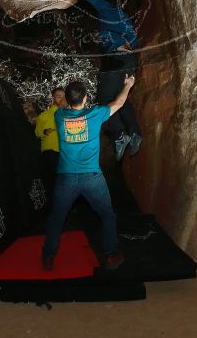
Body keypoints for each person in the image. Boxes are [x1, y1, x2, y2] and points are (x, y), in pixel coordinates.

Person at [41, 76, 135, 271]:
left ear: (67, 100)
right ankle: (110, 255)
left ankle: (48, 257)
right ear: (85, 99)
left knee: (57, 217)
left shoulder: (59, 116)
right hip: (92, 177)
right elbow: (118, 103)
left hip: (66, 178)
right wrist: (128, 85)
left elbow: (66, 107)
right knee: (107, 215)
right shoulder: (95, 114)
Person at [71, 0, 142, 160]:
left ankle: (120, 135)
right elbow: (134, 44)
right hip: (128, 60)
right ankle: (134, 133)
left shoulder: (109, 10)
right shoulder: (126, 20)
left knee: (104, 100)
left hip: (117, 59)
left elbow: (95, 1)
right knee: (121, 100)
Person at [34, 87, 67, 171]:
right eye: (58, 96)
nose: (62, 99)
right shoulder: (44, 115)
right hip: (50, 153)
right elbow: (37, 132)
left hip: (66, 154)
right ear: (53, 98)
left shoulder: (69, 115)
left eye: (64, 96)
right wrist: (45, 131)